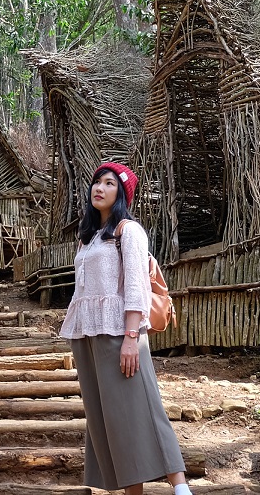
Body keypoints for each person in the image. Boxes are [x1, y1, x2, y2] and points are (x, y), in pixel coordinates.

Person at [59, 162, 191, 495]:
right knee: (108, 417)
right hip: (87, 334)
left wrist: (131, 339)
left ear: (121, 194)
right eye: (96, 182)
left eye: (109, 184)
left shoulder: (128, 231)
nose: (99, 188)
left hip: (120, 332)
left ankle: (180, 486)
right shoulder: (86, 237)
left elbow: (135, 287)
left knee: (143, 405)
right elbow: (83, 290)